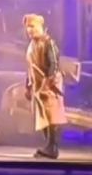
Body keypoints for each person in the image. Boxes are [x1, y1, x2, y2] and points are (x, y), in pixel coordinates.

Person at [23, 14, 67, 159]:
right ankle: (48, 145)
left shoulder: (48, 43)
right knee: (42, 116)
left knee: (51, 114)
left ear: (39, 26)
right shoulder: (31, 45)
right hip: (37, 85)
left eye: (32, 26)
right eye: (27, 27)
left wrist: (47, 84)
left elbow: (54, 65)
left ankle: (52, 147)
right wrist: (28, 86)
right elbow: (30, 67)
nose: (29, 30)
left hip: (50, 84)